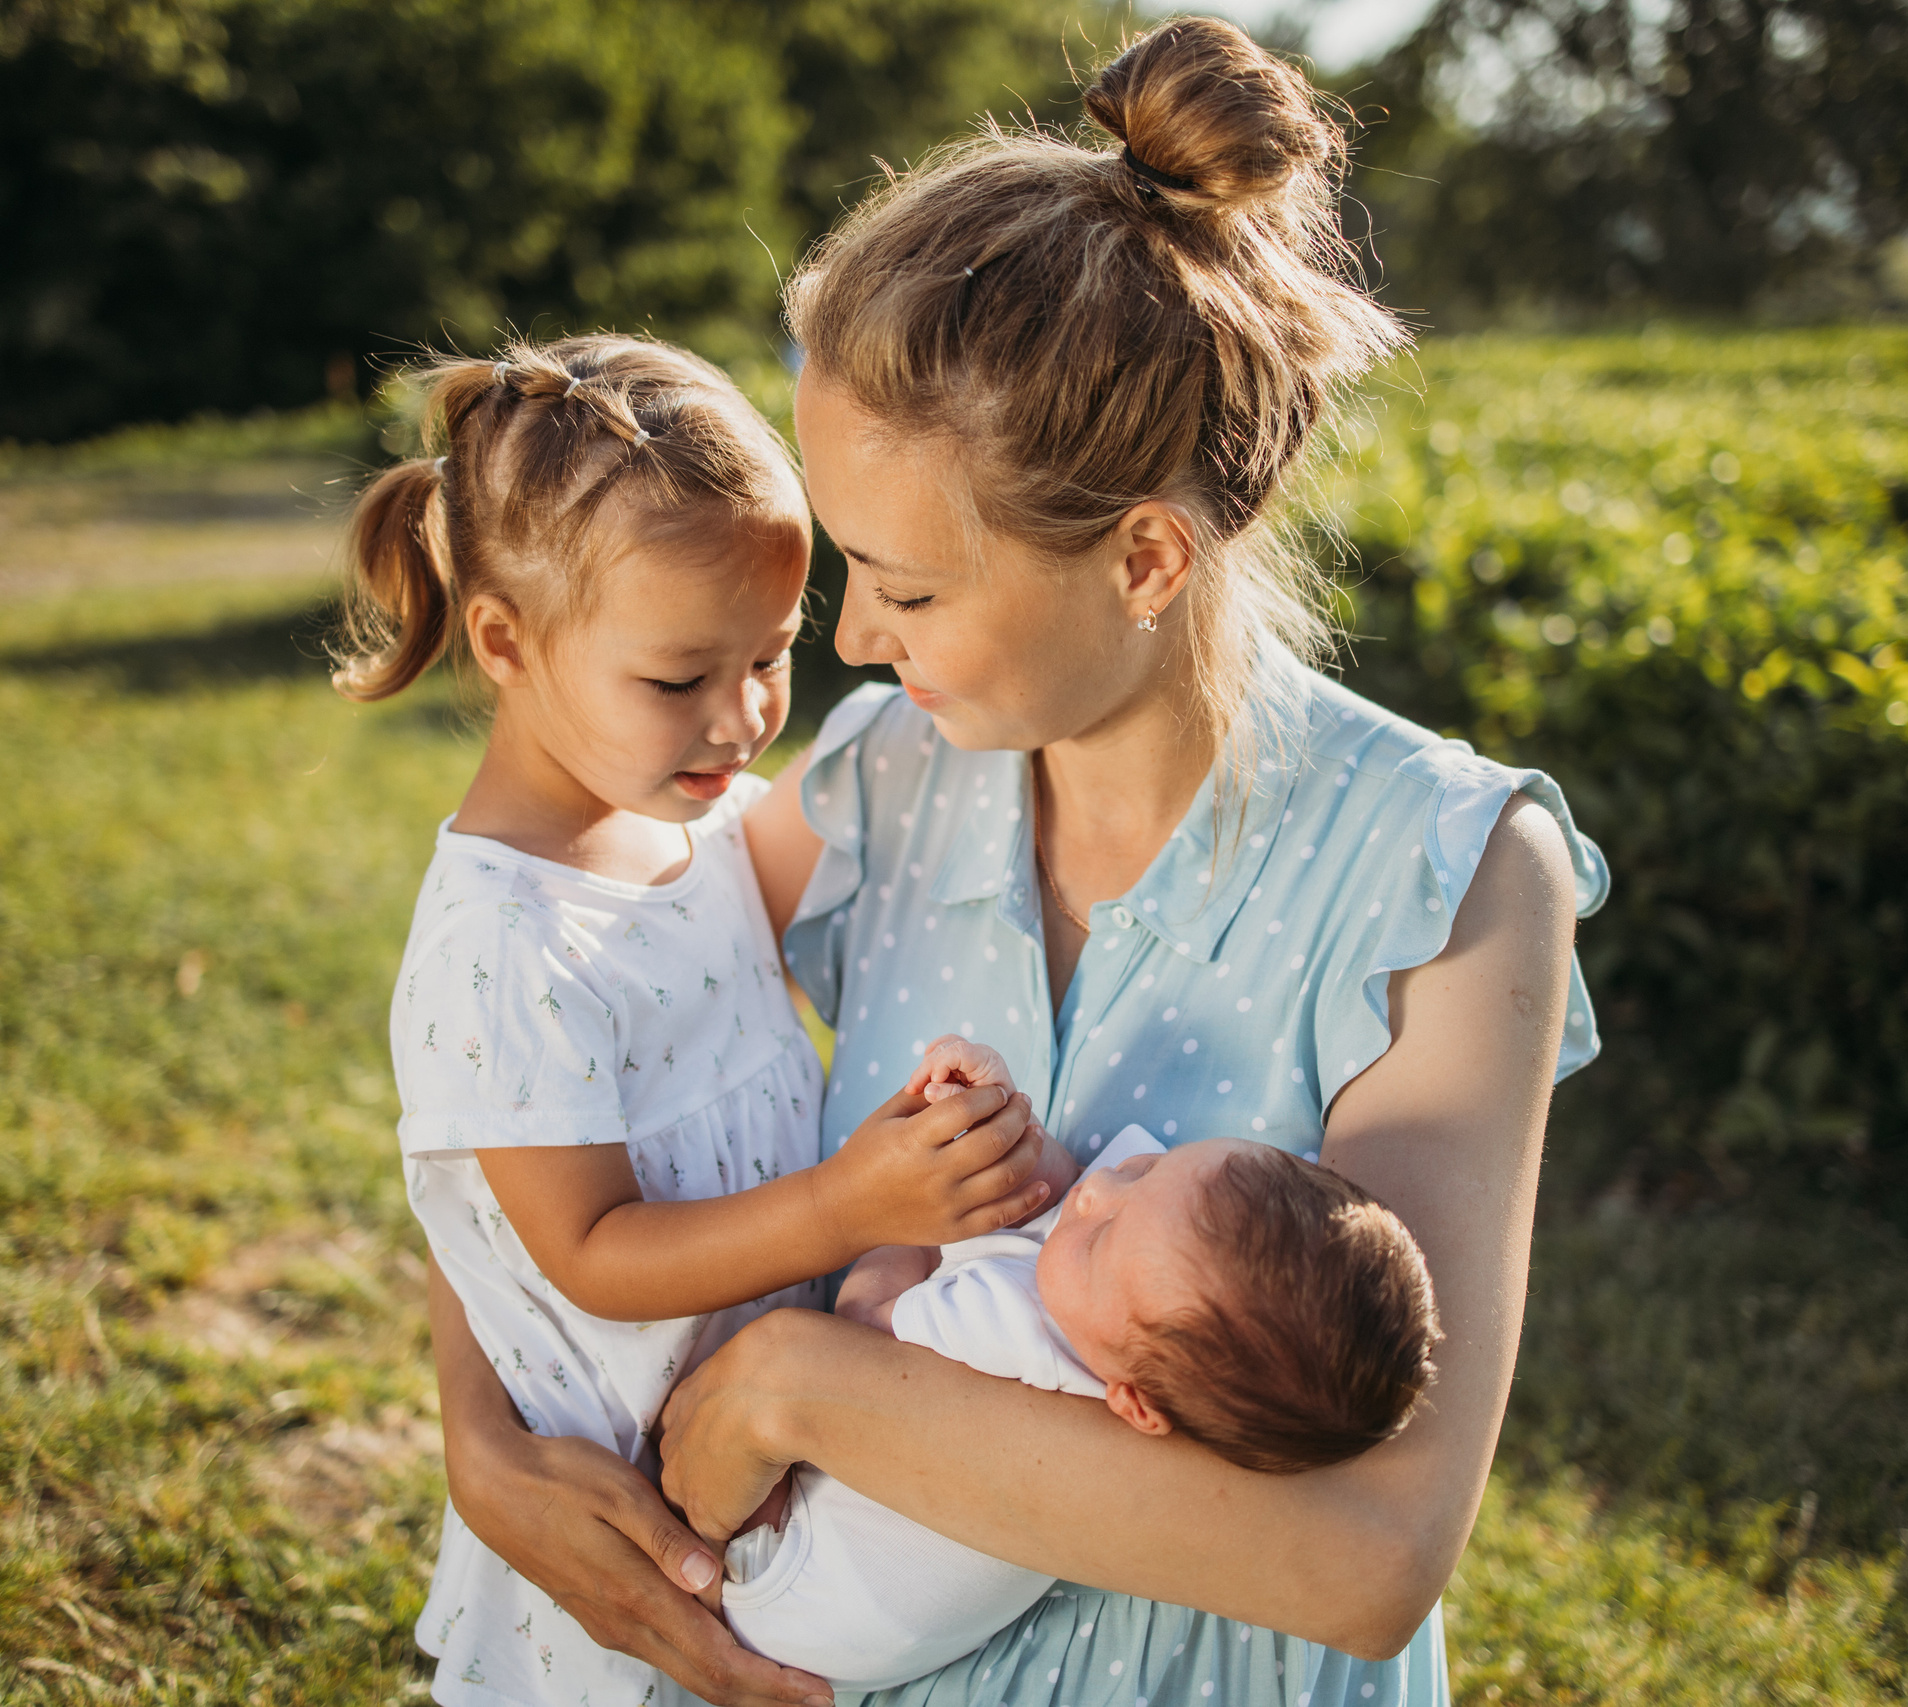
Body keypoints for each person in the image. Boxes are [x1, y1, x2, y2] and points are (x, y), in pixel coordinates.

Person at [427, 17, 1612, 1707]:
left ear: (1142, 557)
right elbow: (526, 1039)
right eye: (847, 568)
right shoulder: (881, 784)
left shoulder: (1453, 880)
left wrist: (797, 1385)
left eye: (907, 590)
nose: (852, 637)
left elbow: (1363, 1556)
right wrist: (480, 1429)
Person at [342, 335, 1054, 1707]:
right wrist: (849, 1201)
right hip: (623, 1496)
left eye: (775, 654)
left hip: (749, 1448)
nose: (743, 719)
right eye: (679, 679)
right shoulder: (505, 942)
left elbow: (847, 830)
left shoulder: (697, 821)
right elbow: (592, 1253)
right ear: (504, 641)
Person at [721, 1039, 1440, 1692]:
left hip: (801, 1591)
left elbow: (862, 1331)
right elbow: (1054, 1195)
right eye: (1144, 1167)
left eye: (1100, 1235)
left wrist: (896, 1227)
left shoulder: (1018, 1332)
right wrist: (1000, 1116)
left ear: (1131, 1404)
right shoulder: (1139, 1305)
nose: (1099, 1191)